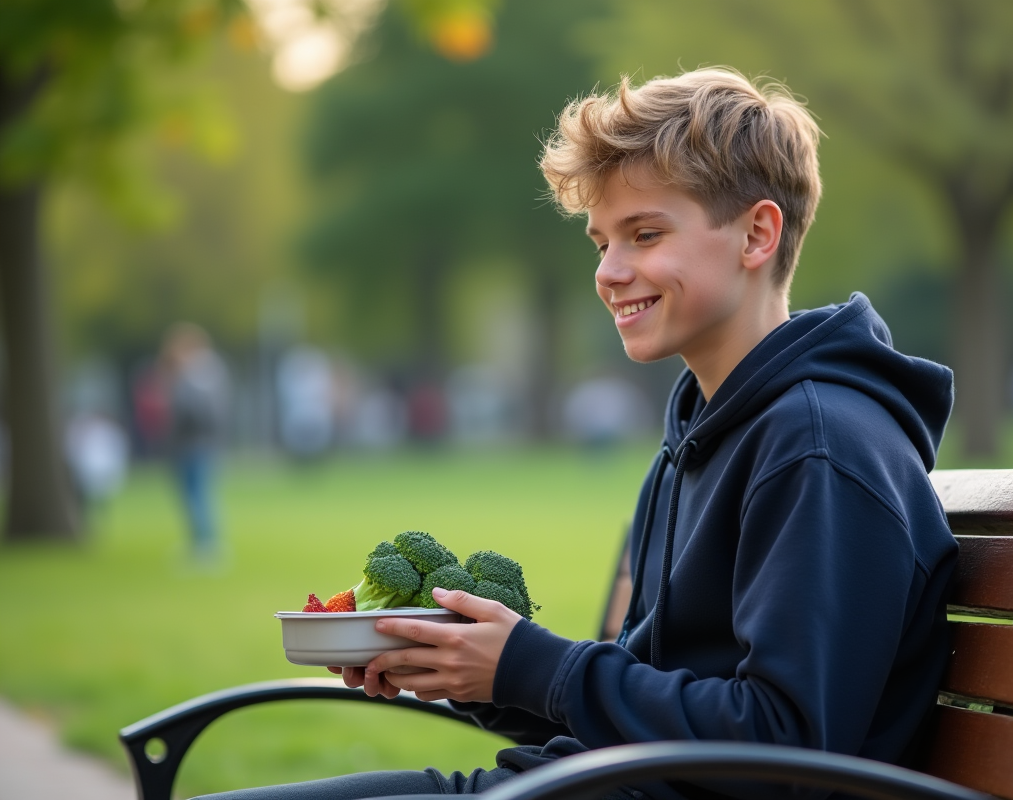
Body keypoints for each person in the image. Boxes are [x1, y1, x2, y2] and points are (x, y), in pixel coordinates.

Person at [196, 67, 957, 800]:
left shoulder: (816, 447)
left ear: (757, 234)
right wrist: (472, 670)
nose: (610, 271)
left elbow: (787, 750)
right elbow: (648, 695)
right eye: (601, 242)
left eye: (645, 233)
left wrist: (536, 667)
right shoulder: (708, 427)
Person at [160, 323, 230, 561]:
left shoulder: (201, 373)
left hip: (196, 442)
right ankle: (199, 542)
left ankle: (207, 545)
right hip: (189, 443)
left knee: (198, 493)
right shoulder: (198, 373)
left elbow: (199, 411)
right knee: (191, 495)